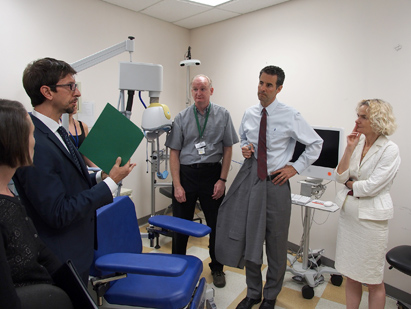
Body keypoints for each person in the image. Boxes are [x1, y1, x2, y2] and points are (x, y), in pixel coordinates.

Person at [13, 57, 136, 285]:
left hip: (78, 248)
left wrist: (102, 176)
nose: (77, 92)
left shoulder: (58, 130)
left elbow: (69, 179)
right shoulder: (34, 142)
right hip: (60, 256)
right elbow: (58, 212)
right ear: (47, 92)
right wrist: (111, 184)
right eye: (70, 86)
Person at [215, 65, 323, 309]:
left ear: (279, 88)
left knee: (276, 244)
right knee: (251, 240)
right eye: (260, 83)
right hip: (253, 181)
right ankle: (253, 292)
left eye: (269, 85)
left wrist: (294, 168)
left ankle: (271, 296)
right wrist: (246, 149)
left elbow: (316, 143)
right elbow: (246, 140)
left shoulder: (290, 115)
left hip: (276, 183)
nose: (262, 89)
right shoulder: (250, 113)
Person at [165, 74, 239, 288]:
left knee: (216, 225)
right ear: (192, 91)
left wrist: (222, 179)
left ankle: (217, 268)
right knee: (180, 225)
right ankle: (177, 267)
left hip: (212, 175)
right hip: (186, 175)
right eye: (195, 89)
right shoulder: (181, 117)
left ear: (211, 91)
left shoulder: (223, 115)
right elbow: (174, 153)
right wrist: (177, 185)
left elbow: (227, 149)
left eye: (203, 89)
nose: (199, 93)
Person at [0, 99, 72, 309]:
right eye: (31, 135)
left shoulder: (9, 194)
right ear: (13, 141)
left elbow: (40, 250)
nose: (34, 142)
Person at [334, 99, 400, 309]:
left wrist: (350, 183)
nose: (357, 120)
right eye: (358, 115)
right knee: (351, 276)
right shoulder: (358, 143)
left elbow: (372, 187)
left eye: (363, 117)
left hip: (371, 223)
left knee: (372, 280)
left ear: (378, 120)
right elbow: (339, 176)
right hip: (350, 217)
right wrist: (349, 149)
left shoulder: (389, 150)